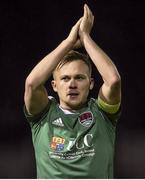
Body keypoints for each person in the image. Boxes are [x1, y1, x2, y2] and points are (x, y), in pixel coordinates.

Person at [24, 4, 121, 179]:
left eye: (79, 77)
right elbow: (31, 83)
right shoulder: (43, 115)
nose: (72, 84)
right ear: (54, 85)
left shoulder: (103, 113)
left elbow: (113, 80)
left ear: (91, 83)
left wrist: (85, 37)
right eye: (65, 78)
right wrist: (68, 42)